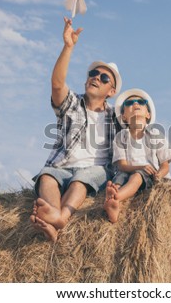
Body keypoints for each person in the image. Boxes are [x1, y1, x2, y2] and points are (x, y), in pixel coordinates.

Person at [30, 17, 122, 241]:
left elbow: (139, 137)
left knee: (83, 178)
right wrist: (68, 46)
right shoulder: (72, 104)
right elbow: (57, 85)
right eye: (92, 75)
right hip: (61, 167)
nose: (95, 79)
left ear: (111, 91)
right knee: (46, 177)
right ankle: (53, 220)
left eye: (103, 78)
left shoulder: (116, 117)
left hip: (94, 170)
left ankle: (62, 216)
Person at [104, 88, 171, 223]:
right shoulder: (120, 137)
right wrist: (140, 166)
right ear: (124, 116)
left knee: (137, 176)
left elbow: (165, 164)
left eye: (140, 102)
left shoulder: (156, 134)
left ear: (148, 114)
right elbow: (122, 165)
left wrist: (159, 174)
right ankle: (113, 205)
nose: (135, 104)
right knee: (118, 178)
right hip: (128, 171)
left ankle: (116, 197)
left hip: (150, 175)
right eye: (129, 104)